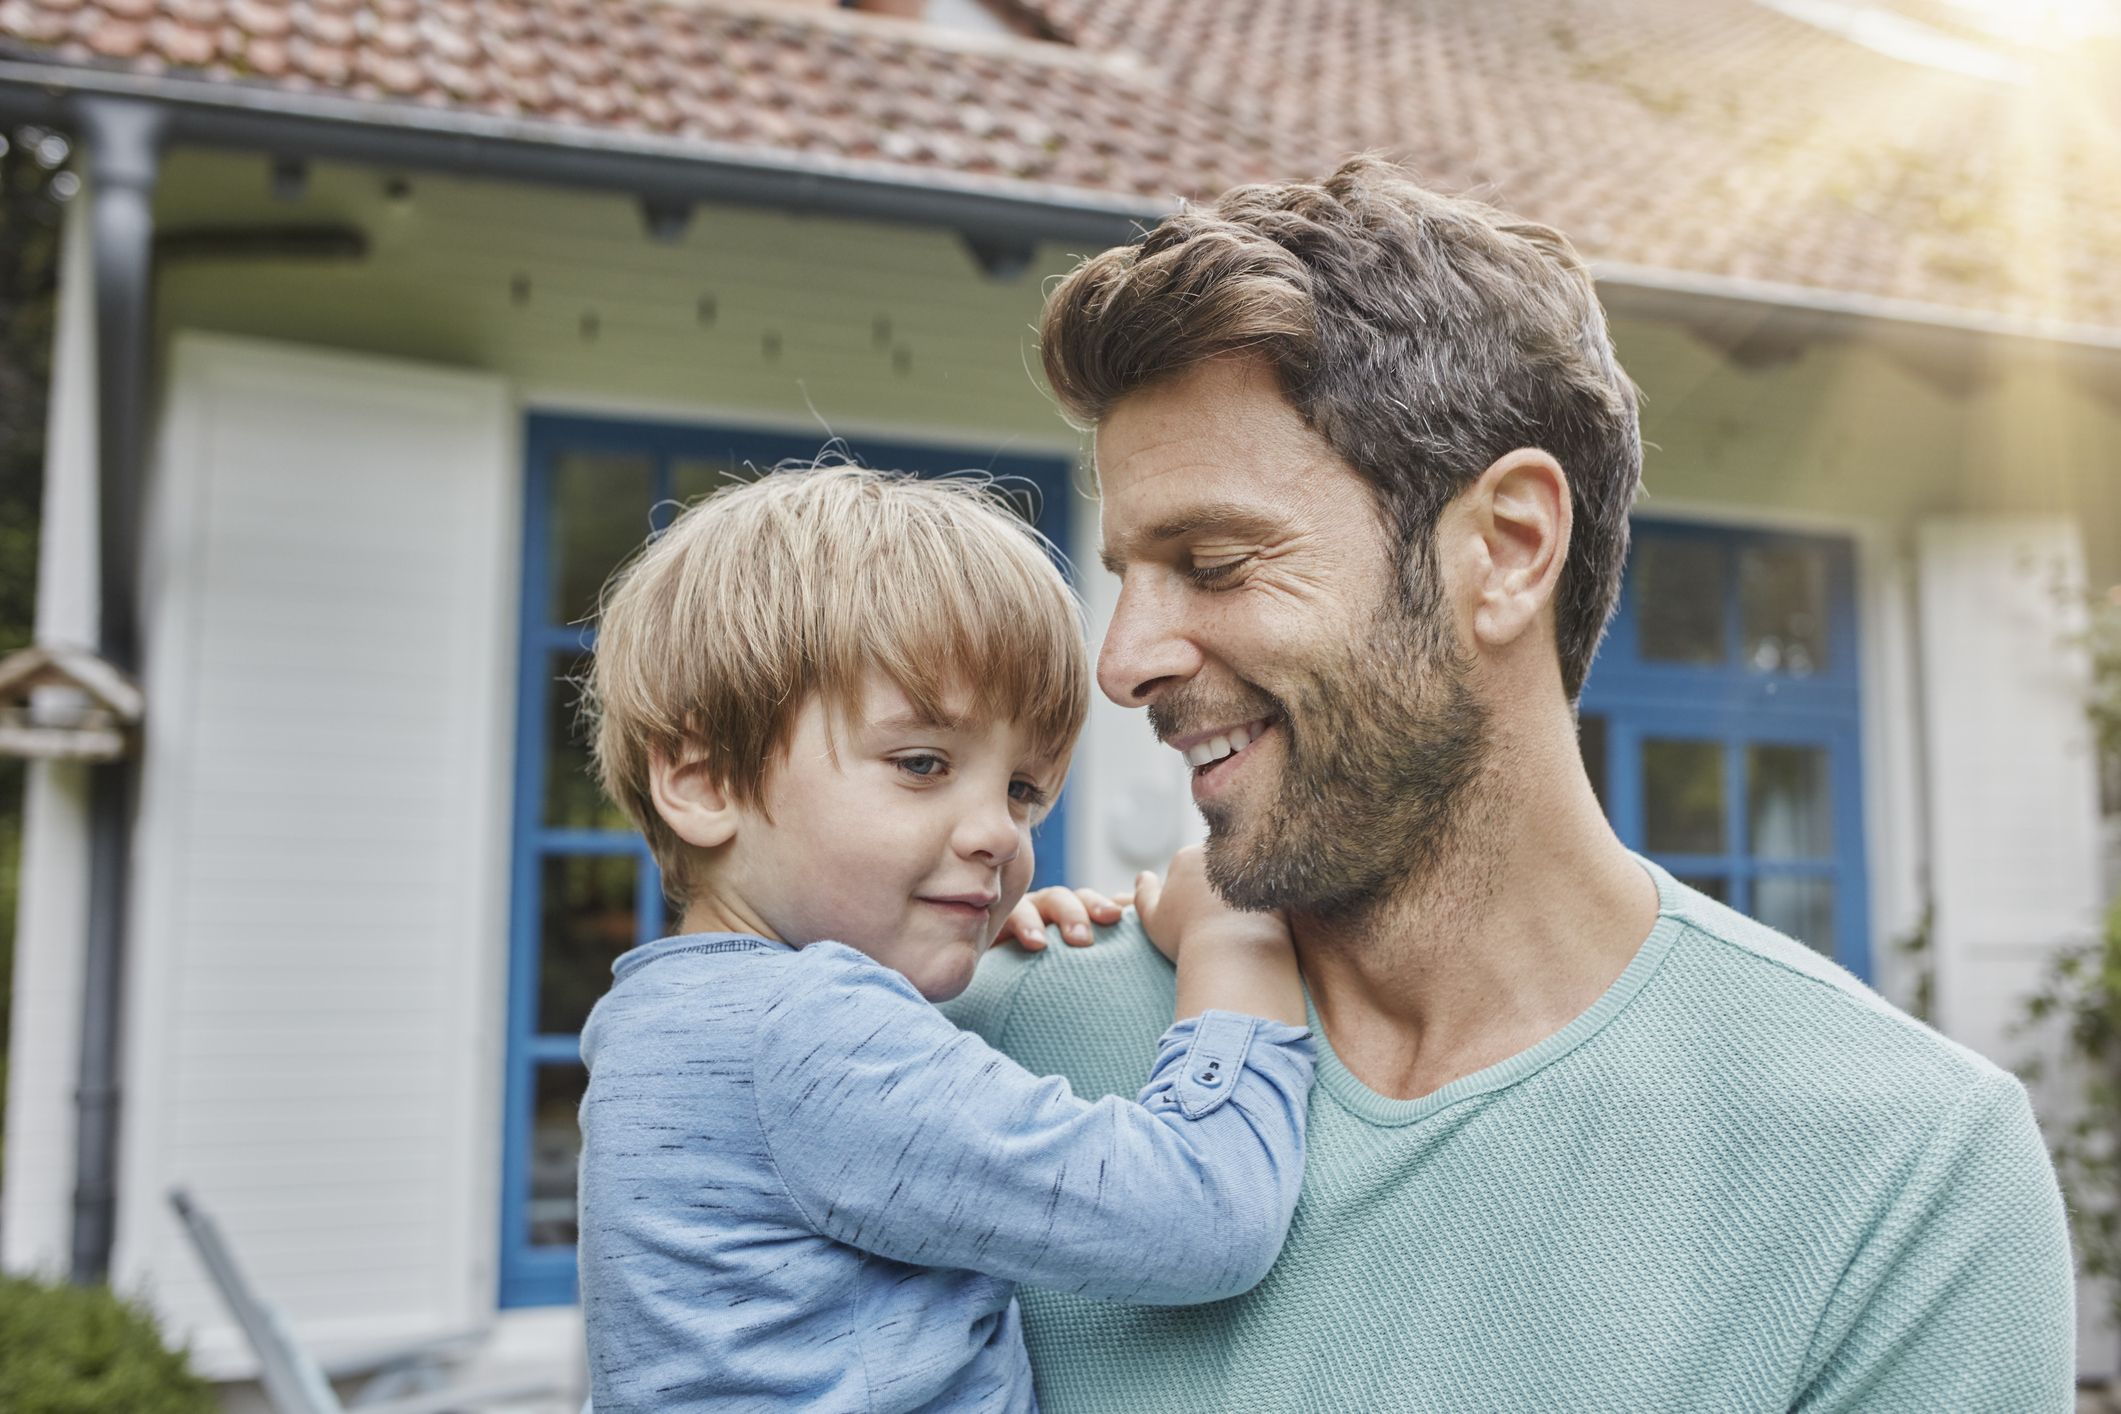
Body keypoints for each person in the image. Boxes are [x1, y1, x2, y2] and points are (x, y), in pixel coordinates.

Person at [962, 156, 2076, 1411]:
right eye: (1125, 576)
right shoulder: (998, 1047)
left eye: (1213, 560)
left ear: (1506, 549)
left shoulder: (1899, 1169)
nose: (1122, 661)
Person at [572, 464, 1316, 1413]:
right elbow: (1204, 1218)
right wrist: (1232, 943)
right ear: (705, 780)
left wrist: (950, 954)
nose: (998, 836)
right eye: (921, 764)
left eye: (1020, 790)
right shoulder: (808, 1033)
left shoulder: (657, 1018)